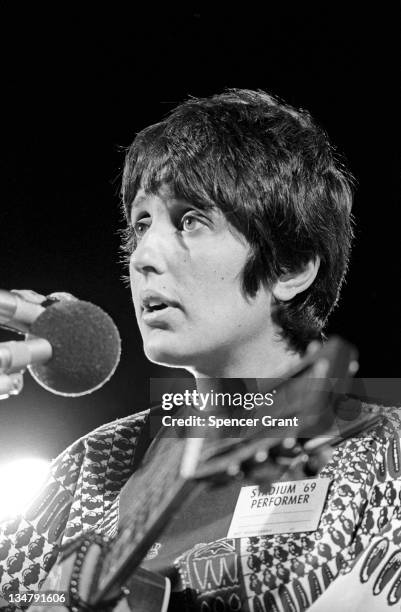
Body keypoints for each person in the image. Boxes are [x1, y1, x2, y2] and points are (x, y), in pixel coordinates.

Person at [0, 89, 400, 611]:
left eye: (191, 220)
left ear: (291, 267)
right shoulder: (90, 467)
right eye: (141, 223)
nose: (144, 256)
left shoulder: (386, 457)